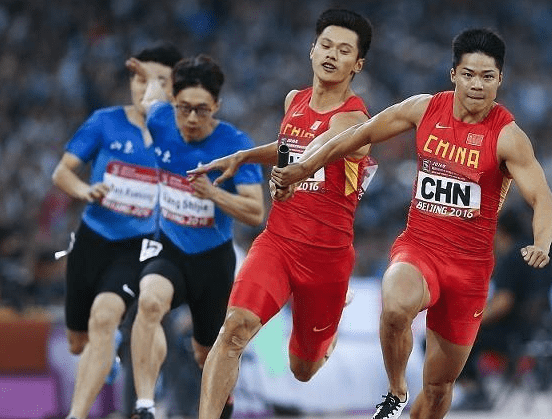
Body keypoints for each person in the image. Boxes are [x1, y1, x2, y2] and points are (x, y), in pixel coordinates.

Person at [271, 28, 552, 419]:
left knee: (439, 389)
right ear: (453, 74)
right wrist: (305, 166)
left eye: (487, 76)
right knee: (394, 307)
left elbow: (544, 200)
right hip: (419, 248)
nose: (477, 85)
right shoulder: (423, 109)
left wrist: (542, 242)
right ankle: (396, 391)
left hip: (469, 271)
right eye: (469, 74)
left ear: (499, 80)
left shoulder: (508, 137)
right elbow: (359, 134)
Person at [188, 8, 375, 419]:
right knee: (233, 328)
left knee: (302, 369)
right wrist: (244, 156)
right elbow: (289, 144)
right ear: (312, 49)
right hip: (277, 244)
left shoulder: (355, 120)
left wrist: (296, 171)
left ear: (357, 64)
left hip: (326, 259)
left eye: (344, 51)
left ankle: (328, 332)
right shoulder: (295, 100)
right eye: (326, 45)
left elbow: (323, 144)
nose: (332, 55)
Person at [126, 54, 265, 419]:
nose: (190, 118)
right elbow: (152, 97)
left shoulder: (236, 145)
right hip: (169, 248)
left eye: (201, 110)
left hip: (212, 261)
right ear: (174, 102)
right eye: (184, 108)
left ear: (216, 106)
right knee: (149, 303)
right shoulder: (161, 119)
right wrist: (151, 77)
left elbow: (255, 211)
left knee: (207, 354)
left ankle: (224, 404)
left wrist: (213, 193)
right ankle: (144, 405)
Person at [51, 43, 183, 419]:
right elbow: (62, 172)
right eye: (141, 79)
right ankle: (109, 351)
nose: (148, 88)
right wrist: (84, 190)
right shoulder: (104, 122)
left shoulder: (178, 136)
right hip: (93, 240)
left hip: (139, 248)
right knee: (78, 341)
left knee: (105, 316)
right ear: (131, 82)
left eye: (160, 81)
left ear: (174, 90)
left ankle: (77, 415)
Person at [454, 207, 552, 410]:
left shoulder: (511, 258)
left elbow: (503, 303)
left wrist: (473, 320)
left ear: (499, 231)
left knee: (454, 337)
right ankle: (477, 392)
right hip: (536, 330)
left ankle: (474, 392)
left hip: (512, 334)